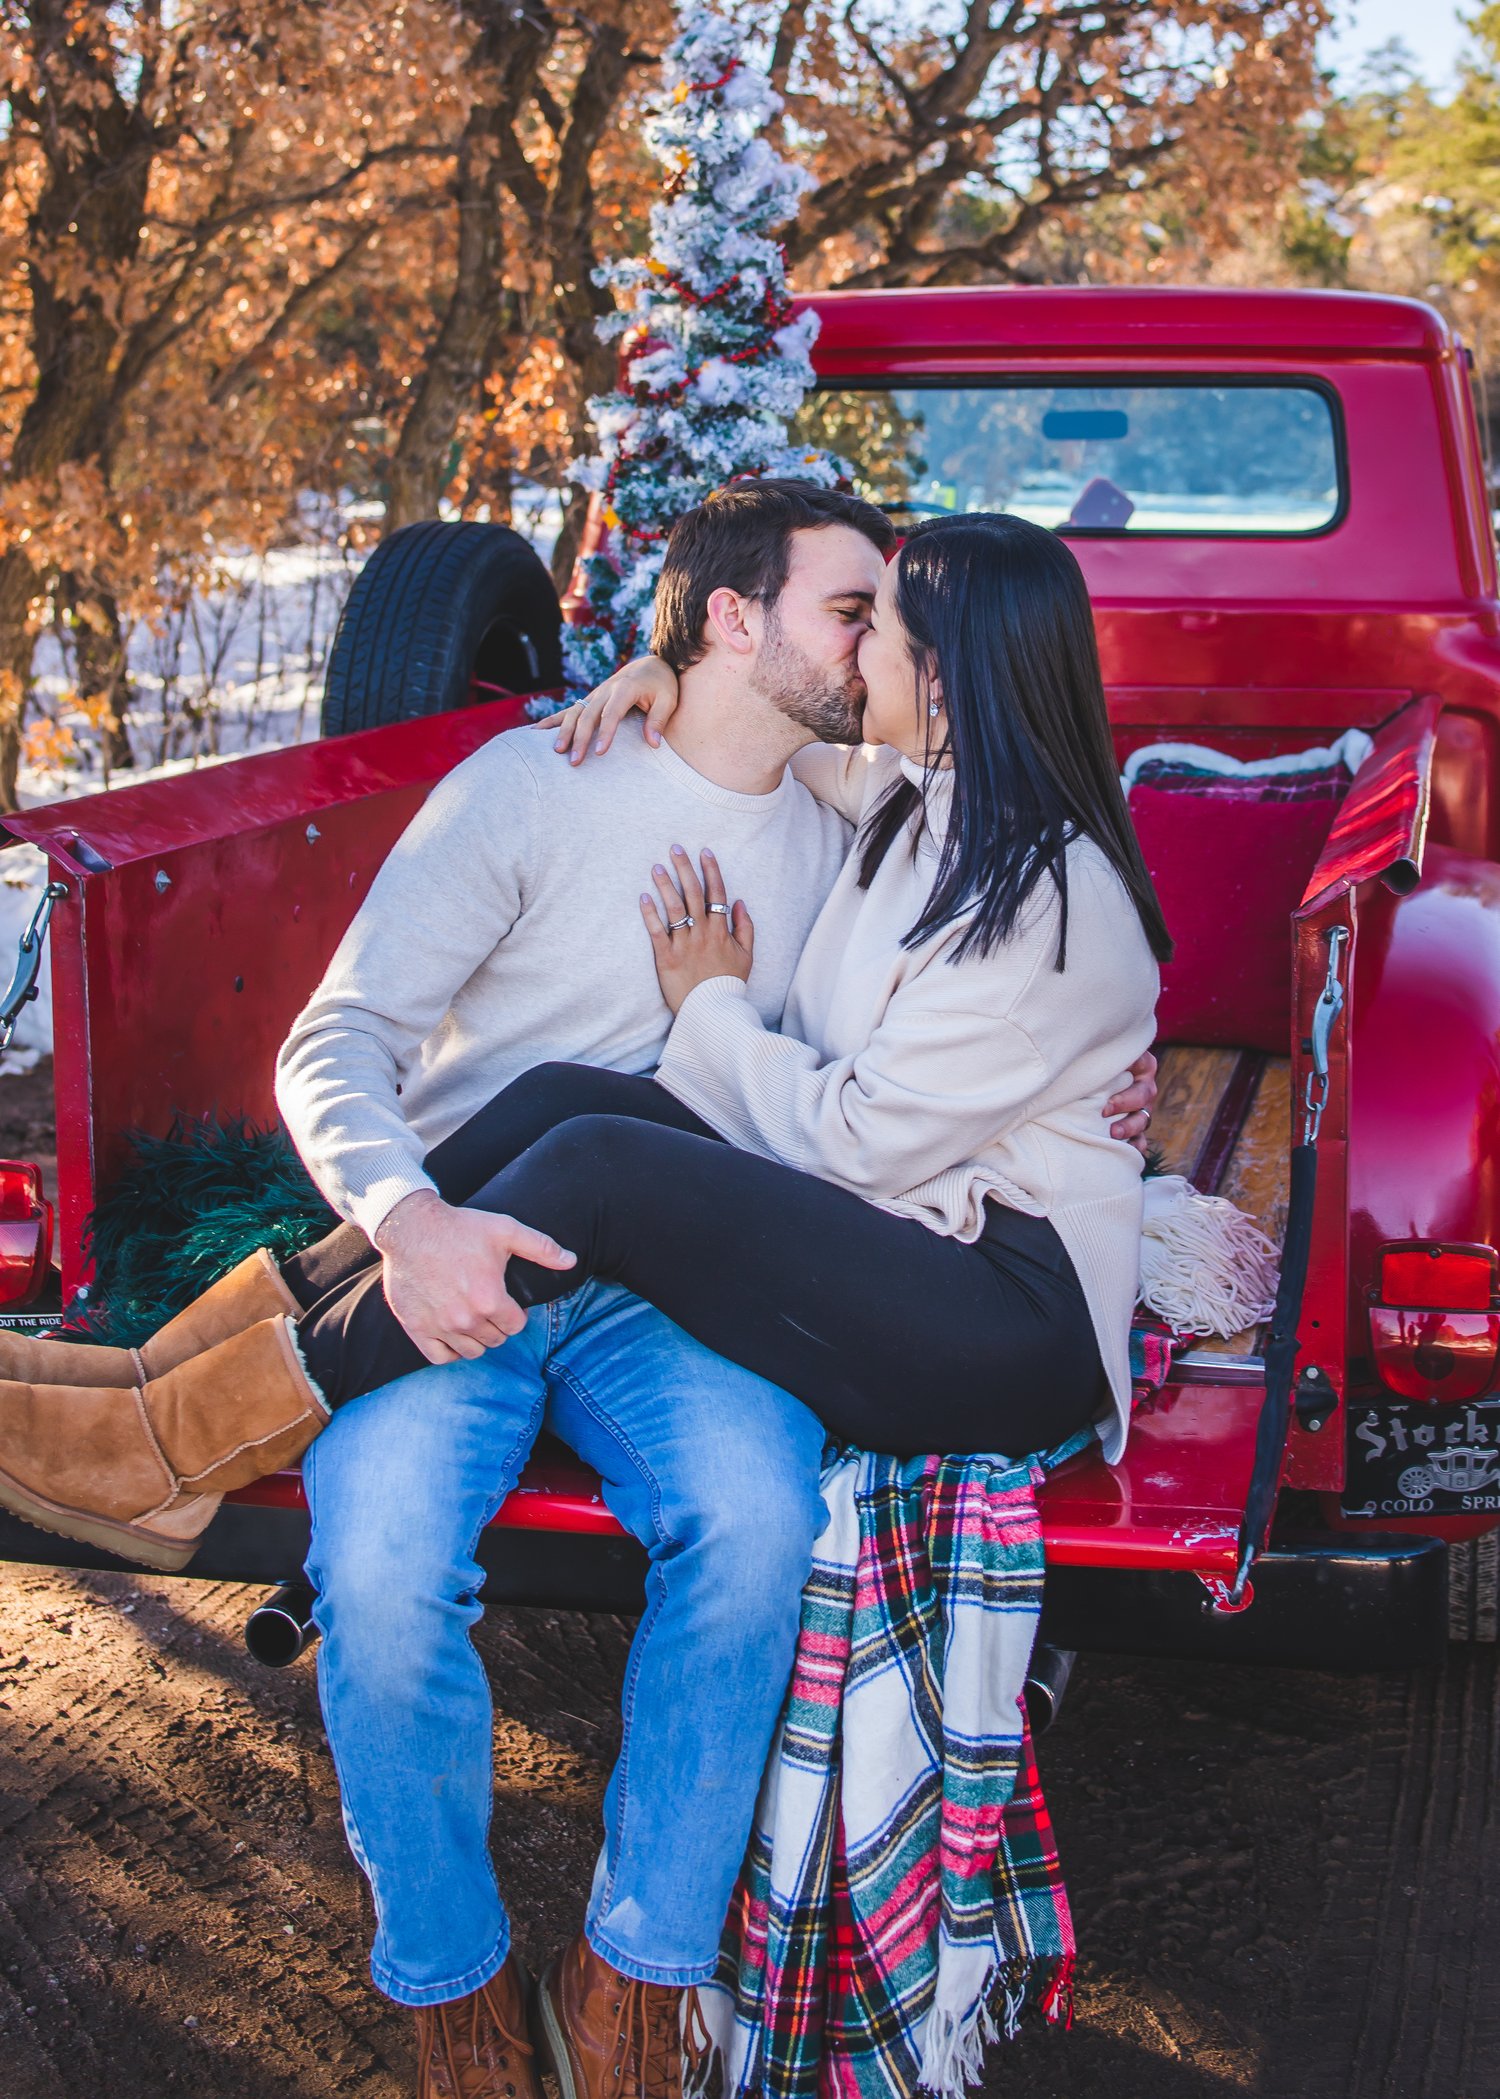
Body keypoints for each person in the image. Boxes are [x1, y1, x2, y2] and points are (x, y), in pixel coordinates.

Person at [0, 482, 1157, 2099]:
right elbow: (334, 1045)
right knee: (391, 1568)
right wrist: (409, 1221)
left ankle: (638, 1984)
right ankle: (453, 1992)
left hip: (714, 1271)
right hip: (460, 1242)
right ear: (737, 622)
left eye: (889, 623)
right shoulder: (553, 785)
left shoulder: (891, 815)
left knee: (752, 1528)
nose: (872, 641)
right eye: (853, 608)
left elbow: (907, 1082)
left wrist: (722, 997)